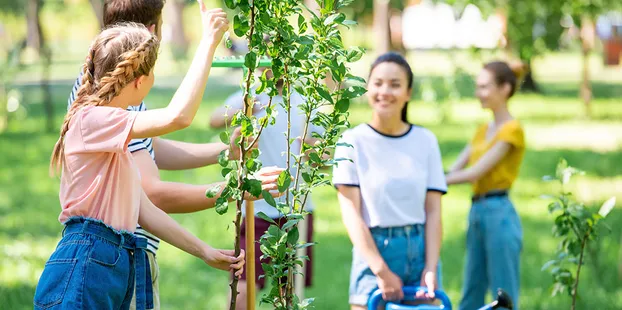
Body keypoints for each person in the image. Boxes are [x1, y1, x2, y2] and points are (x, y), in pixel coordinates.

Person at [65, 1, 283, 309]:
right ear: (141, 76)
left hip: (108, 260)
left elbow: (145, 203)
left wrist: (205, 251)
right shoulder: (95, 116)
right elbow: (177, 118)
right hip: (94, 262)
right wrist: (209, 42)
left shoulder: (110, 121)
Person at [332, 52, 446, 309]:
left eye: (395, 84)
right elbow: (351, 214)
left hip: (420, 252)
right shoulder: (352, 141)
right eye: (378, 83)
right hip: (372, 252)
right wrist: (381, 271)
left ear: (408, 93)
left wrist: (430, 266)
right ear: (368, 88)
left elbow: (434, 210)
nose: (385, 91)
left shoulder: (426, 141)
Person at [209, 68, 323, 309]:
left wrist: (315, 150)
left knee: (289, 287)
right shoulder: (252, 96)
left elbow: (323, 158)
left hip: (296, 208)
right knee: (242, 282)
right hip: (256, 207)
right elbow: (214, 119)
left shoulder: (306, 101)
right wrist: (245, 109)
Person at [445, 61, 525, 310]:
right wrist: (431, 176)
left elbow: (474, 173)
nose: (479, 93)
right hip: (477, 212)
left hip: (499, 213)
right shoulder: (483, 130)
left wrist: (429, 182)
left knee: (503, 294)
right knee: (471, 289)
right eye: (477, 87)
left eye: (484, 87)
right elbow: (455, 169)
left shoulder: (512, 131)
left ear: (505, 88)